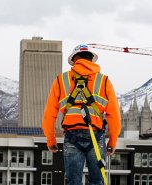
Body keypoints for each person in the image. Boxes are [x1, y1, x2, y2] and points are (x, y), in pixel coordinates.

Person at [42, 44, 121, 185]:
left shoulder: (61, 80)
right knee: (97, 181)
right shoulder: (104, 81)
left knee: (73, 181)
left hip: (72, 137)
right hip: (96, 137)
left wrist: (51, 140)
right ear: (91, 59)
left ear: (74, 59)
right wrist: (113, 141)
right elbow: (114, 114)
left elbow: (49, 114)